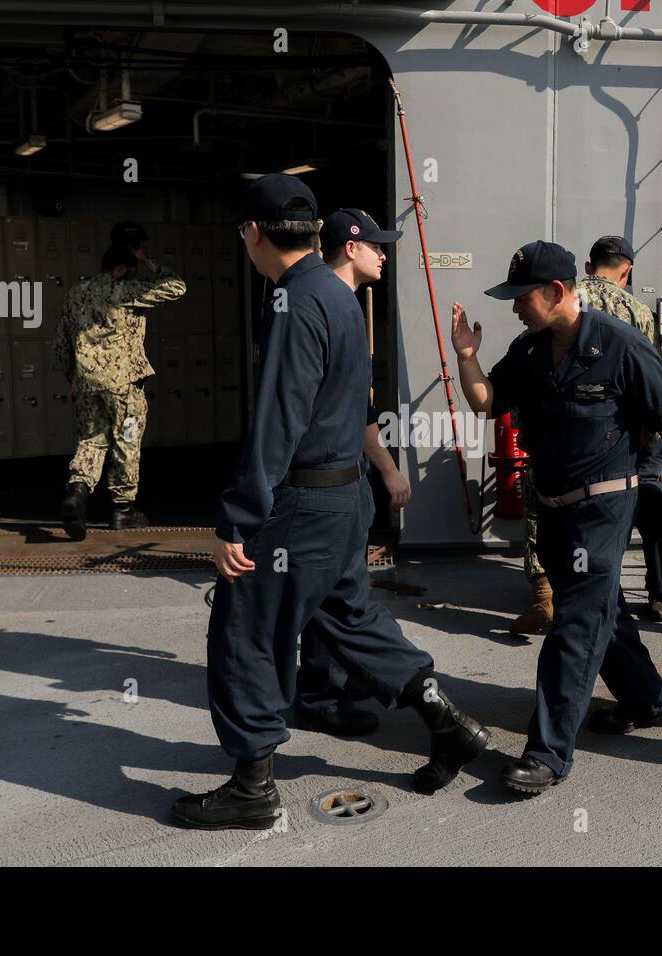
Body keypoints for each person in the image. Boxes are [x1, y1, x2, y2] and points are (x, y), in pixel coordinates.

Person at [172, 175, 489, 829]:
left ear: (254, 233)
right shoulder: (339, 297)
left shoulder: (293, 301)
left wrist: (237, 515)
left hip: (302, 505)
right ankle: (446, 720)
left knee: (246, 632)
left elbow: (279, 419)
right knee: (351, 621)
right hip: (346, 500)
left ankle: (252, 787)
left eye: (242, 232)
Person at [452, 239, 662, 793]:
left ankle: (548, 753)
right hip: (551, 509)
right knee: (604, 611)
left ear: (556, 291)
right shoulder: (530, 350)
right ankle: (649, 700)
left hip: (603, 507)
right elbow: (486, 401)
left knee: (573, 627)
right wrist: (466, 356)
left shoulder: (622, 344)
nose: (513, 307)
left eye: (521, 296)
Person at [293, 207, 410, 738]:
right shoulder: (317, 307)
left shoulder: (345, 307)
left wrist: (385, 471)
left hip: (349, 484)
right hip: (318, 485)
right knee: (326, 594)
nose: (384, 255)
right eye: (377, 246)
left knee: (347, 588)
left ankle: (340, 678)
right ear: (351, 248)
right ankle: (317, 693)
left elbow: (358, 410)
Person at [56, 242, 185, 539]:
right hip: (123, 386)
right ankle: (124, 510)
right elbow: (176, 287)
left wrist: (72, 378)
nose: (133, 276)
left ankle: (78, 490)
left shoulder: (75, 293)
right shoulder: (125, 291)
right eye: (131, 271)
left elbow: (62, 343)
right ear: (119, 269)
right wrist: (148, 260)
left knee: (91, 439)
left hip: (87, 383)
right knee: (126, 440)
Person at [579, 235, 662, 623]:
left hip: (580, 438)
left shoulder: (567, 301)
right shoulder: (638, 311)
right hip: (630, 432)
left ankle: (595, 594)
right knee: (651, 505)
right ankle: (659, 595)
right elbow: (654, 379)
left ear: (589, 266)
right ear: (627, 269)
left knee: (588, 517)